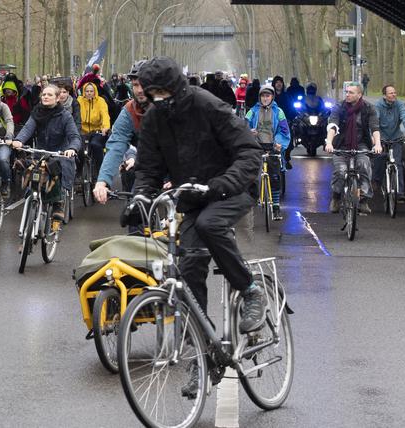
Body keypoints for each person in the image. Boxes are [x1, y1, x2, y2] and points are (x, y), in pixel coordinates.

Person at [133, 58, 266, 398]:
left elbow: (250, 153)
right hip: (192, 198)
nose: (159, 99)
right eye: (153, 93)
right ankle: (204, 358)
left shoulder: (208, 105)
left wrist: (223, 184)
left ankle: (251, 290)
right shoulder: (153, 119)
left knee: (210, 225)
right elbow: (148, 168)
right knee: (189, 268)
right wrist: (139, 198)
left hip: (232, 189)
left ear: (177, 86)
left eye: (164, 92)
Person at [8, 84, 80, 226]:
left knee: (56, 170)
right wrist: (18, 141)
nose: (45, 97)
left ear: (58, 98)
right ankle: (31, 204)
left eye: (49, 95)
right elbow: (28, 128)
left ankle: (58, 204)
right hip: (41, 151)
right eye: (44, 94)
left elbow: (74, 136)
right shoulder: (37, 112)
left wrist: (72, 148)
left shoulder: (65, 116)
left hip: (60, 152)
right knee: (31, 172)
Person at [94, 60, 148, 203]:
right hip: (147, 165)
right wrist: (102, 181)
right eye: (135, 85)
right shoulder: (130, 110)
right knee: (135, 210)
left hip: (175, 166)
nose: (140, 90)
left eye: (144, 84)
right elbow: (117, 144)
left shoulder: (170, 106)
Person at [325, 82, 382, 214]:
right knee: (340, 171)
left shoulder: (369, 108)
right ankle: (336, 197)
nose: (347, 95)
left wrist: (377, 144)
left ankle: (363, 200)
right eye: (347, 92)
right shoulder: (339, 107)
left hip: (361, 143)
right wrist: (329, 142)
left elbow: (374, 127)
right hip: (341, 144)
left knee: (364, 165)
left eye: (351, 92)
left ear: (359, 94)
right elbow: (333, 125)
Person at [245, 86, 291, 220]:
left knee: (275, 176)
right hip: (256, 146)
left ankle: (276, 206)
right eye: (263, 96)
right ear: (260, 97)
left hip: (273, 146)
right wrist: (249, 132)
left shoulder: (279, 112)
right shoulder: (253, 111)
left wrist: (279, 144)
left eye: (268, 96)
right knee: (250, 176)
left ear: (272, 97)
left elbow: (284, 130)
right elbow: (244, 124)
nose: (265, 98)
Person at [372, 84, 405, 202]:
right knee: (379, 158)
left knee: (398, 163)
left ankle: (400, 192)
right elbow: (375, 122)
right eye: (391, 93)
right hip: (382, 137)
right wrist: (375, 137)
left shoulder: (399, 105)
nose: (394, 94)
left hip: (396, 137)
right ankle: (377, 181)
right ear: (385, 95)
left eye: (395, 92)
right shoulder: (378, 105)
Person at [77, 82, 110, 170]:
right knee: (79, 149)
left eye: (91, 91)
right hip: (82, 131)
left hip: (97, 131)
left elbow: (105, 115)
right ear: (84, 92)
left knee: (96, 145)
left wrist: (105, 127)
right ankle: (79, 172)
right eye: (87, 91)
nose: (89, 93)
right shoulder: (79, 101)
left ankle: (99, 171)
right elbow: (75, 115)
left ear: (95, 91)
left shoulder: (101, 101)